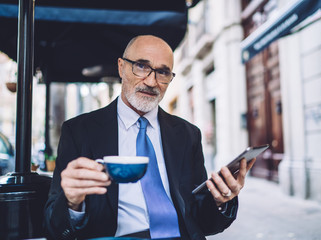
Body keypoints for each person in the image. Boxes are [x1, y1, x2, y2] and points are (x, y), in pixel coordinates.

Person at [44, 35, 256, 240]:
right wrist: (72, 203)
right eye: (142, 66)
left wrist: (221, 200)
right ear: (121, 67)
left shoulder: (187, 135)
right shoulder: (80, 131)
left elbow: (204, 223)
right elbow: (54, 228)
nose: (152, 81)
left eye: (163, 72)